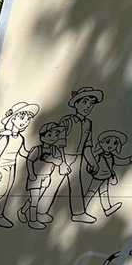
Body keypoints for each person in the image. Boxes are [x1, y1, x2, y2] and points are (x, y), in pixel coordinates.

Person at [44, 87, 103, 223]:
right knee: (53, 185)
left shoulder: (88, 123)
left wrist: (92, 162)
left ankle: (78, 213)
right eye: (84, 102)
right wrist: (62, 162)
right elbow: (58, 142)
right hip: (63, 157)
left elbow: (87, 145)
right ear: (76, 104)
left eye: (91, 104)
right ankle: (37, 211)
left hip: (78, 158)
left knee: (76, 186)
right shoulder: (67, 121)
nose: (88, 106)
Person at [0, 101, 39, 227]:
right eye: (22, 118)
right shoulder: (5, 137)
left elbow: (22, 152)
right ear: (13, 119)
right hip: (2, 167)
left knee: (7, 192)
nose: (24, 122)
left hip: (12, 166)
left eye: (27, 119)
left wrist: (33, 153)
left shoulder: (20, 138)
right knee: (0, 192)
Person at [84, 128, 132, 217]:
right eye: (108, 142)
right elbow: (91, 163)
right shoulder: (98, 155)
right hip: (97, 176)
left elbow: (122, 161)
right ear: (101, 143)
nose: (111, 145)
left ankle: (107, 209)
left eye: (115, 143)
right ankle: (84, 208)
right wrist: (92, 168)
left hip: (105, 178)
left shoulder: (112, 157)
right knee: (91, 191)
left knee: (104, 193)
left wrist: (131, 159)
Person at [19, 121, 67, 229]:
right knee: (34, 200)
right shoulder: (37, 149)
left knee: (36, 198)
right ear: (43, 137)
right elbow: (29, 161)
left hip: (46, 178)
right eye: (49, 135)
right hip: (35, 178)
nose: (52, 138)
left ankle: (23, 211)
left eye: (55, 135)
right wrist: (31, 174)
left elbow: (59, 161)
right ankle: (32, 220)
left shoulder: (55, 149)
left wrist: (56, 161)